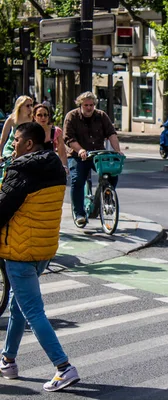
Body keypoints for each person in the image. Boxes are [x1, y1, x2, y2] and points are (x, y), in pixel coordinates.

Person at [0, 122, 80, 391]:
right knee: (17, 304)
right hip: (43, 249)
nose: (13, 146)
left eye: (17, 141)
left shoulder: (21, 171)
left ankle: (63, 367)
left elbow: (2, 210)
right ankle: (8, 360)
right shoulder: (55, 165)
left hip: (20, 251)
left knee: (32, 311)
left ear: (29, 144)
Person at [63, 91, 123, 227]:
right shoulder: (71, 116)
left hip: (98, 154)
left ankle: (107, 197)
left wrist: (117, 150)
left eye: (91, 105)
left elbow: (111, 134)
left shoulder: (101, 116)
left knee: (112, 174)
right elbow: (68, 138)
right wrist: (80, 150)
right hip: (78, 155)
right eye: (86, 105)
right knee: (77, 180)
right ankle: (79, 214)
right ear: (80, 105)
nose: (89, 108)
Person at [33, 104, 68, 170]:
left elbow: (62, 152)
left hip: (50, 165)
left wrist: (64, 166)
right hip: (35, 165)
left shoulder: (56, 131)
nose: (43, 118)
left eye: (45, 115)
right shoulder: (30, 131)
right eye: (39, 115)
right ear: (34, 117)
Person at [1, 95, 34, 160]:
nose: (30, 108)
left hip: (26, 149)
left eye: (31, 105)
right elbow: (3, 139)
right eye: (27, 106)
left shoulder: (32, 119)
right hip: (10, 148)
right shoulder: (11, 119)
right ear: (20, 106)